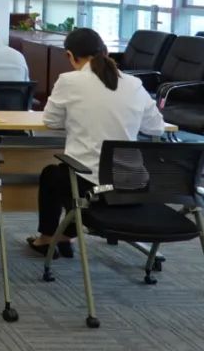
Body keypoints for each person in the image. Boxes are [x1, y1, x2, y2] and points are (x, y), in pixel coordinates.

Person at [26, 28, 165, 258]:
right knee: (67, 176)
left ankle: (48, 239)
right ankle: (66, 236)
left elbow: (51, 121)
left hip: (92, 187)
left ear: (70, 56)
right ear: (106, 52)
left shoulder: (69, 81)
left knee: (53, 175)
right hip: (131, 183)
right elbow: (156, 128)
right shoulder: (134, 83)